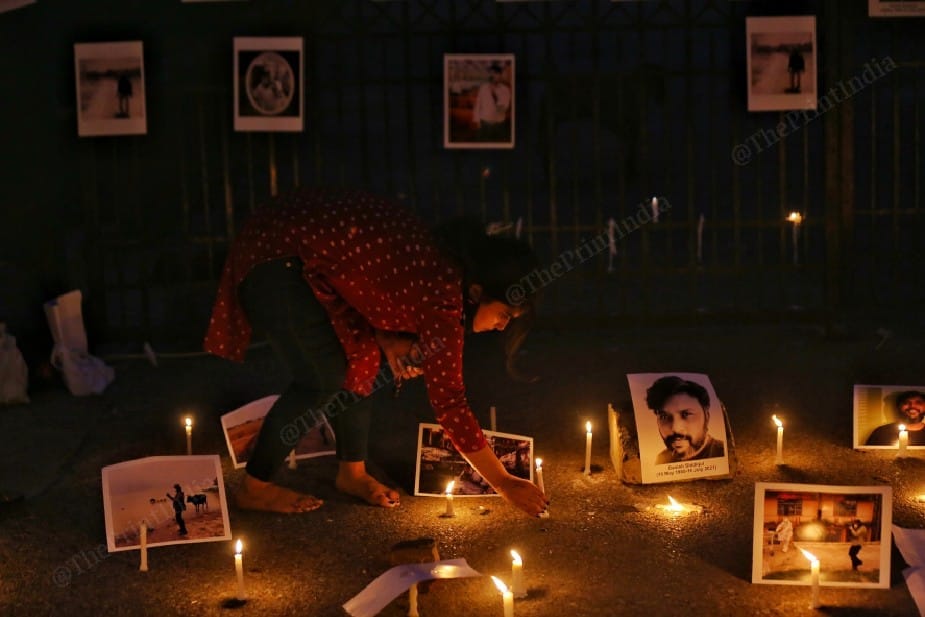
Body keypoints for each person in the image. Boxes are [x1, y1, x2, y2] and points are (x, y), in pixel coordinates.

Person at [203, 187, 548, 517]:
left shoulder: (442, 269)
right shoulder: (442, 298)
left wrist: (385, 337)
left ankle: (351, 474)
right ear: (476, 290)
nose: (503, 326)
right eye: (505, 314)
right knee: (321, 378)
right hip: (275, 253)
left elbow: (369, 281)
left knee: (361, 358)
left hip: (296, 245)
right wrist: (503, 482)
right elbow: (451, 405)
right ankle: (254, 487)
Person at [645, 375, 726, 464]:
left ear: (706, 417)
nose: (675, 429)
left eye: (686, 414)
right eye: (664, 416)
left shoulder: (724, 453)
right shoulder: (661, 460)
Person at [472, 63, 511, 142]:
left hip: (498, 125)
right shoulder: (483, 88)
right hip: (484, 124)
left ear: (500, 75)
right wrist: (477, 121)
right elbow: (478, 104)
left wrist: (494, 93)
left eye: (496, 73)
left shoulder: (505, 90)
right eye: (491, 73)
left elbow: (502, 109)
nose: (493, 75)